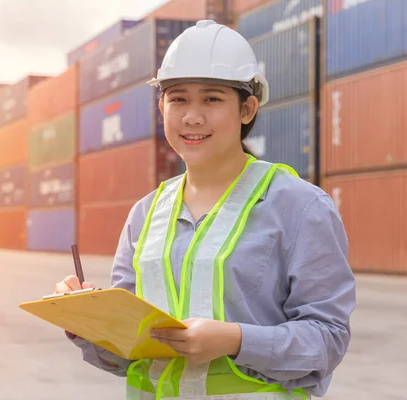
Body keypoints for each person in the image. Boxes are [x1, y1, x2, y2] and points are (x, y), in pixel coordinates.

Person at [54, 20, 356, 399]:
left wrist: (236, 339)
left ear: (247, 109)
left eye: (211, 99)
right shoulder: (144, 215)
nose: (192, 116)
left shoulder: (301, 208)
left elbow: (328, 341)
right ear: (161, 106)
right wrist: (86, 322)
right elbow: (127, 357)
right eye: (178, 99)